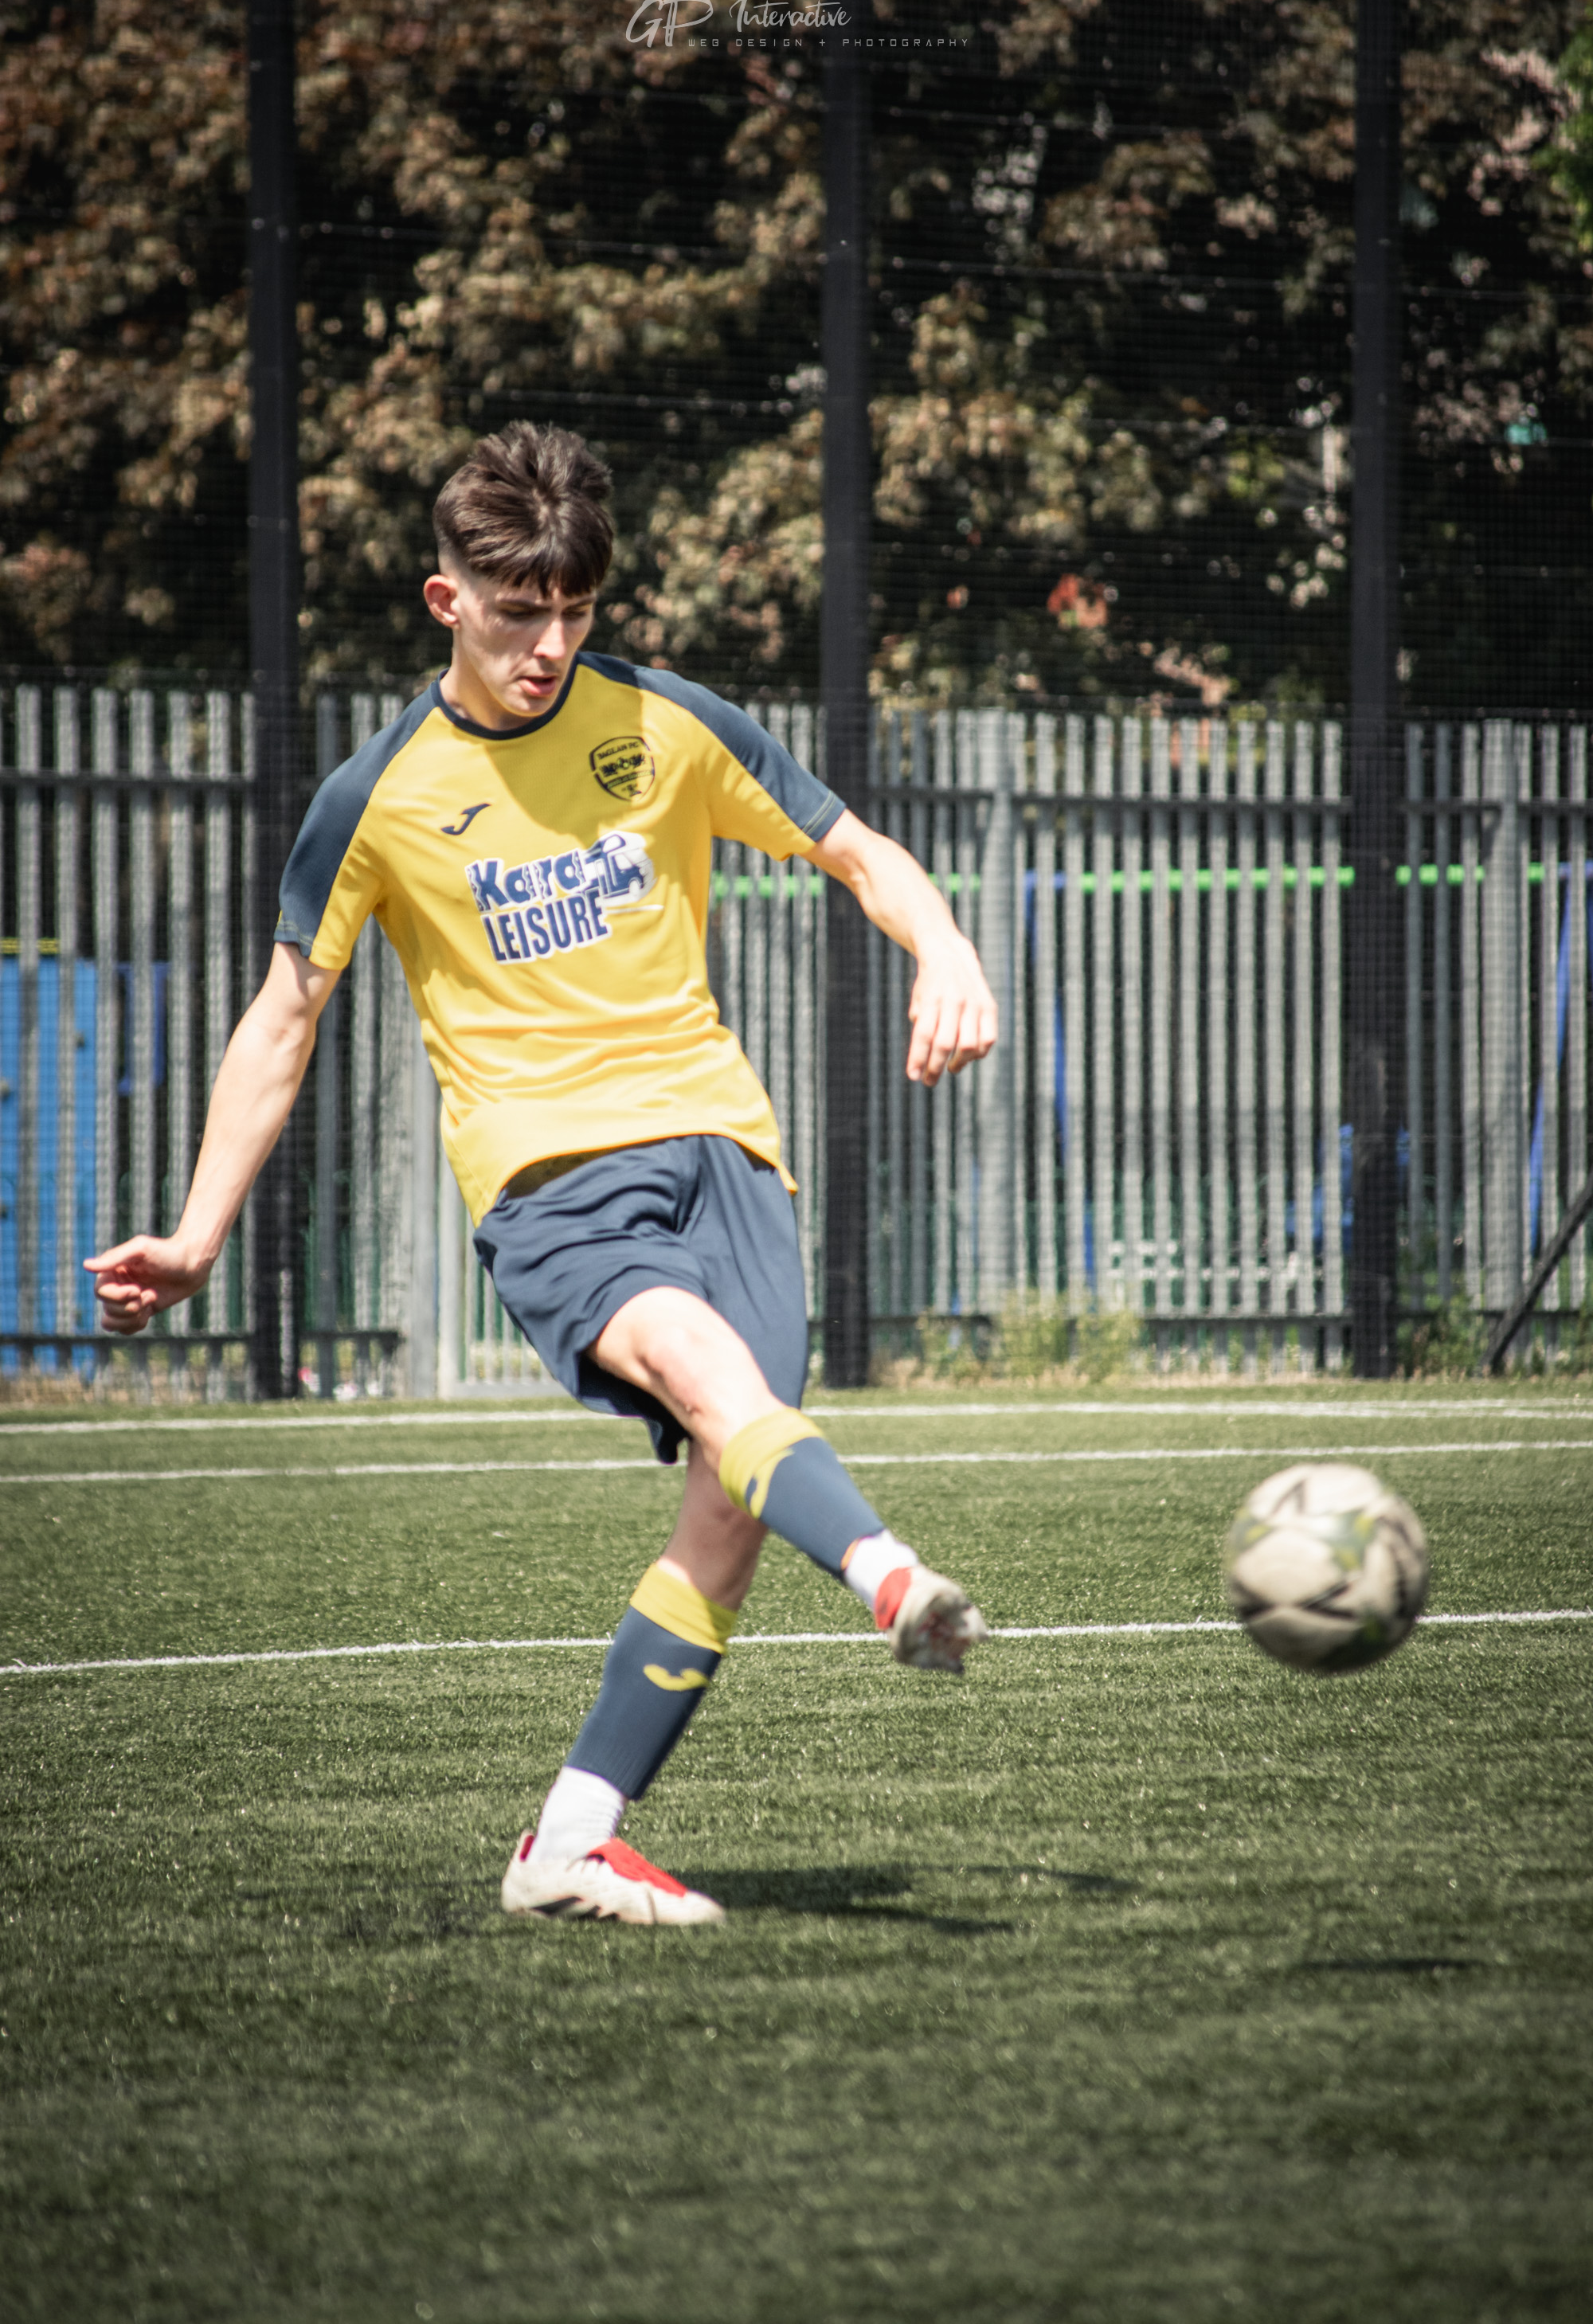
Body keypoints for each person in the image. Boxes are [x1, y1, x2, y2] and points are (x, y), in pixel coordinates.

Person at [88, 423, 999, 1929]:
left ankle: (567, 1845)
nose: (551, 646)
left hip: (728, 1157)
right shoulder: (378, 796)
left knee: (731, 1497)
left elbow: (856, 849)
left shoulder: (665, 721)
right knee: (709, 1378)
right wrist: (195, 1238)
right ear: (447, 600)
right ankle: (893, 1579)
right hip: (552, 1182)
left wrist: (945, 944)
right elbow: (283, 1019)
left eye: (575, 610)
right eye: (520, 614)